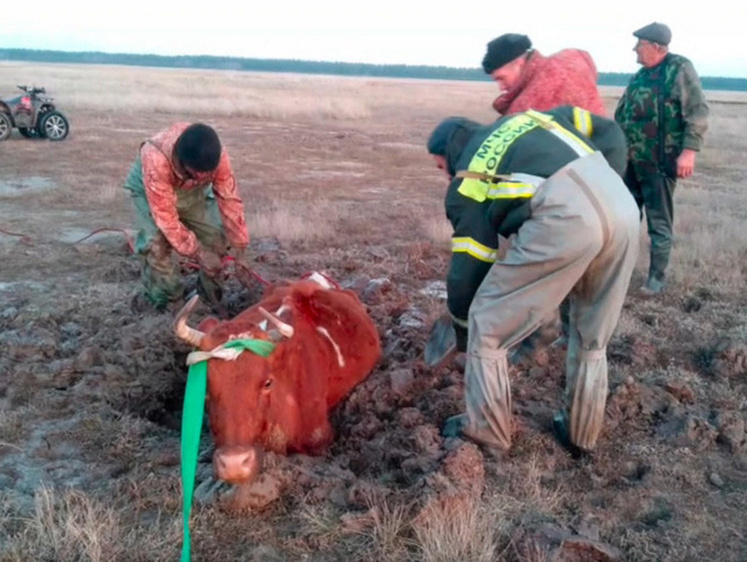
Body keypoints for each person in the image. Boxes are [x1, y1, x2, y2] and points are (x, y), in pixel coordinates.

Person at [427, 106, 640, 456]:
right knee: (591, 334)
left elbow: (471, 266)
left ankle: (485, 432)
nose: (444, 176)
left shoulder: (468, 180)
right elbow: (612, 133)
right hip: (622, 207)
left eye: (440, 167)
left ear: (449, 152)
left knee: (489, 325)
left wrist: (463, 327)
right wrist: (608, 186)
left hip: (565, 218)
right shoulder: (531, 118)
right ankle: (580, 434)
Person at [615, 22, 709, 295]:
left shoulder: (679, 68)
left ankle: (656, 279)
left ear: (657, 47)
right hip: (630, 163)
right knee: (624, 220)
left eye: (639, 43)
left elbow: (698, 111)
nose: (635, 48)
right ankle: (619, 273)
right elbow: (622, 114)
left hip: (659, 163)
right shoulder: (640, 76)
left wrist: (689, 151)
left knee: (659, 223)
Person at [123, 122, 251, 311]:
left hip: (191, 192)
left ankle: (209, 299)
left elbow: (229, 199)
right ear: (182, 162)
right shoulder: (155, 157)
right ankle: (167, 302)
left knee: (216, 237)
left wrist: (240, 250)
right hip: (151, 189)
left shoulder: (217, 156)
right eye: (198, 174)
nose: (204, 177)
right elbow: (166, 219)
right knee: (155, 246)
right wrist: (198, 253)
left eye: (208, 174)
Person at [482, 33, 606, 116]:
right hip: (604, 147)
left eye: (502, 78)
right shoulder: (572, 58)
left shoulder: (527, 105)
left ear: (519, 62)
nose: (501, 87)